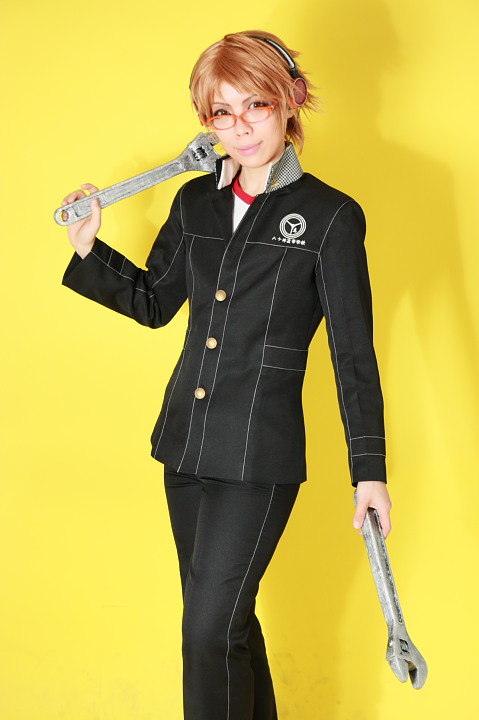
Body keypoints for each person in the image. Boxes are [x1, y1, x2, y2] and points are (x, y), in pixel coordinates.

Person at [61, 30, 392, 720]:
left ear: (290, 100)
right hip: (183, 447)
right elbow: (154, 302)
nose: (240, 127)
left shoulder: (331, 217)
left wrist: (369, 471)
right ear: (206, 120)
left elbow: (352, 354)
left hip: (258, 457)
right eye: (221, 112)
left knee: (207, 632)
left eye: (255, 105)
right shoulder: (195, 203)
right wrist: (90, 250)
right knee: (227, 627)